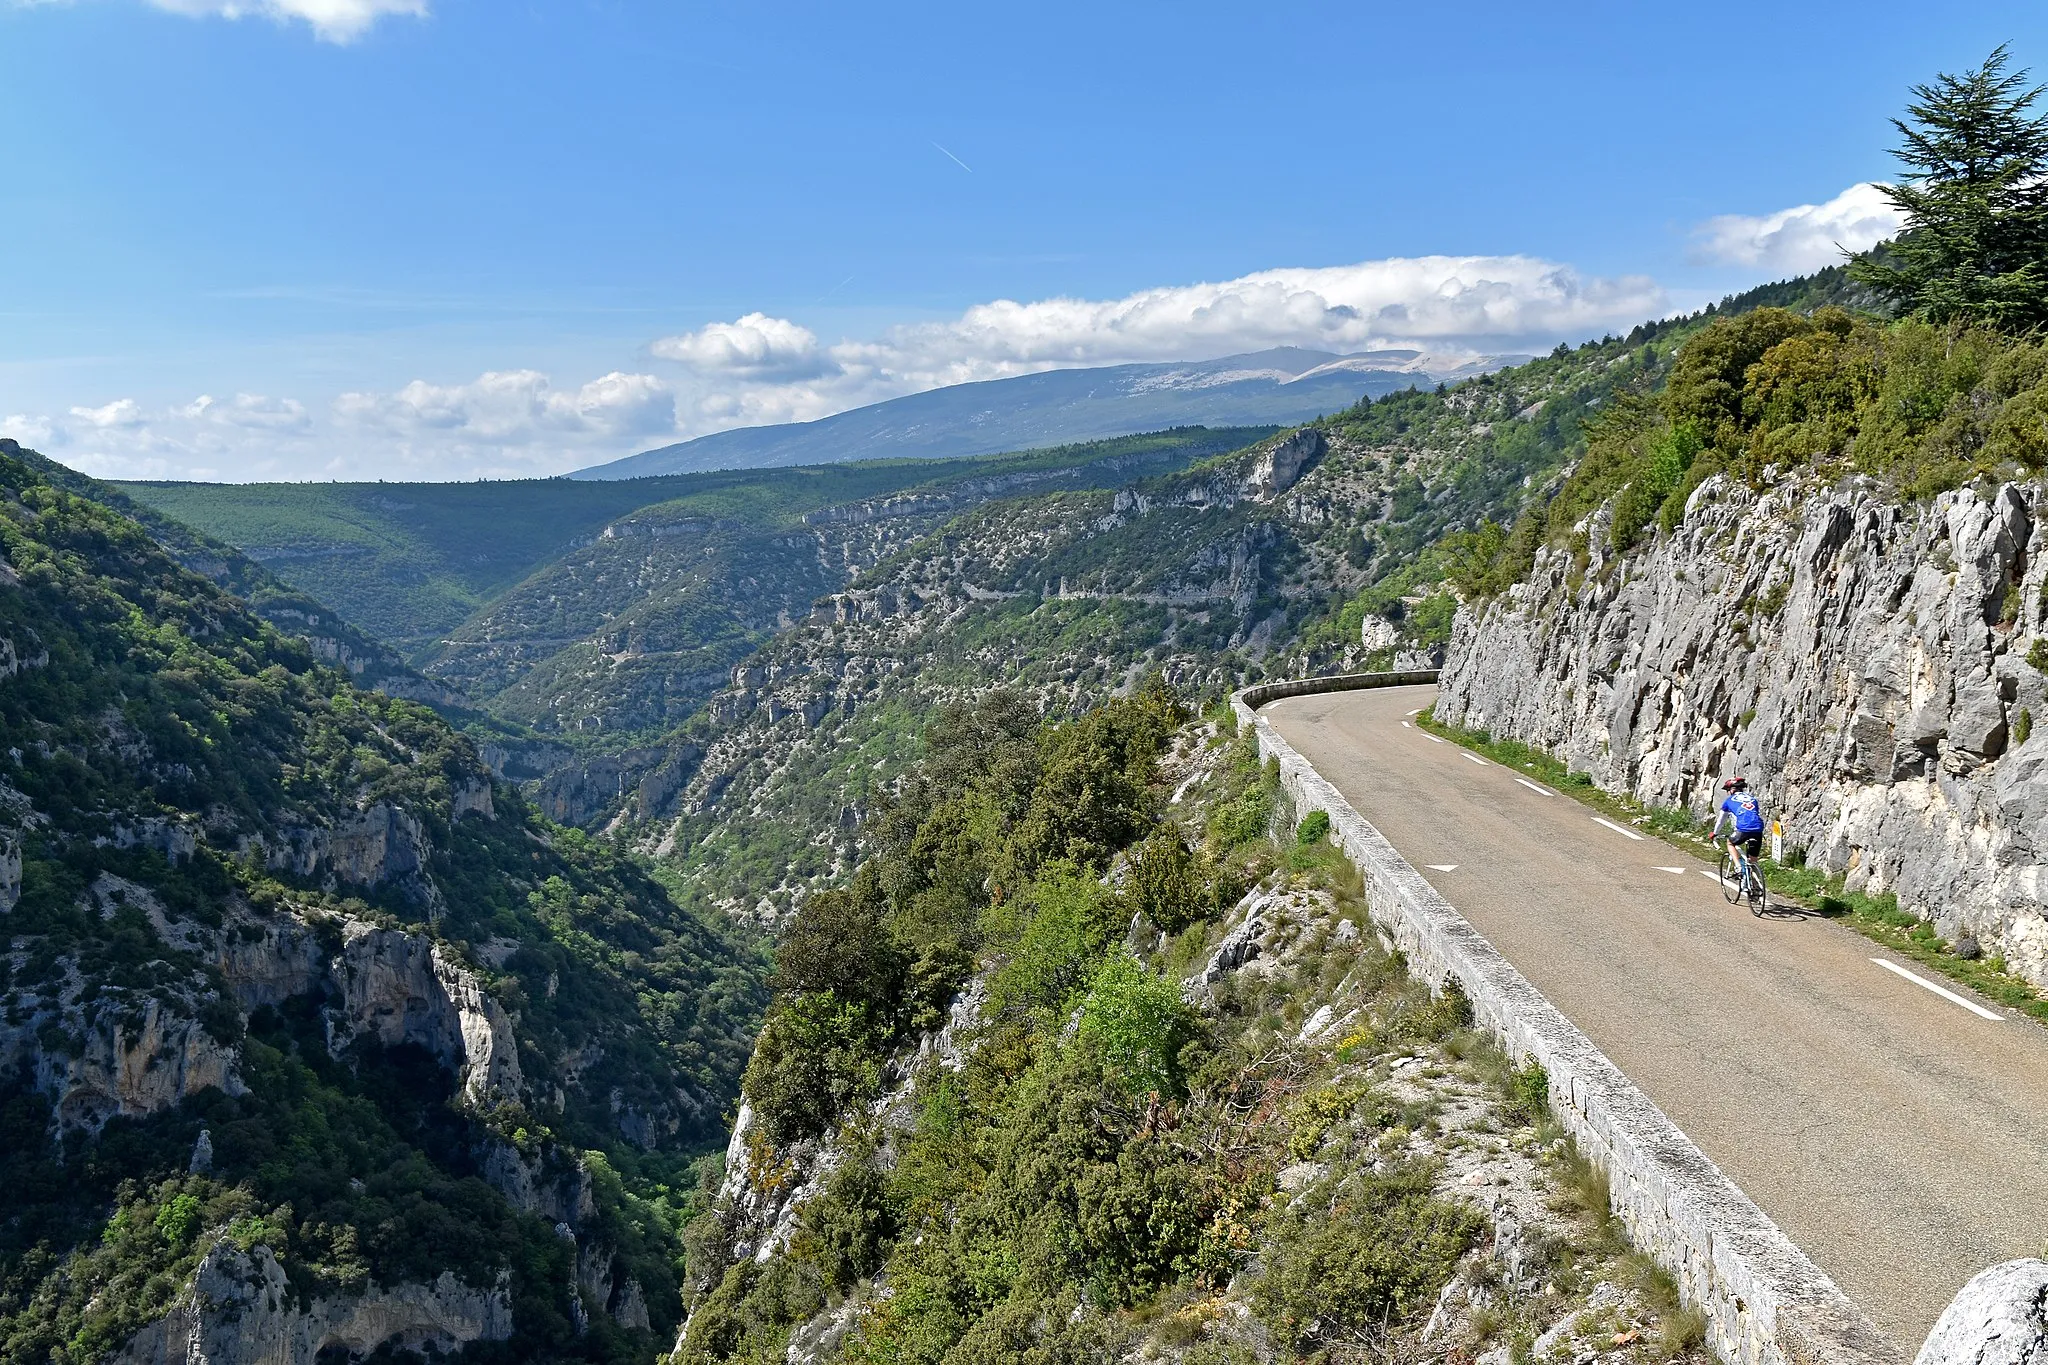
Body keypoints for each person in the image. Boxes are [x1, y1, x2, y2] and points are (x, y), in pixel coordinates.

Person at [1710, 777, 1767, 884]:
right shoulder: (1752, 799)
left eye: (1727, 790)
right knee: (1752, 860)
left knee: (1730, 843)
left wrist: (1715, 833)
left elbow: (1721, 820)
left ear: (1732, 790)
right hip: (1758, 828)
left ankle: (1738, 867)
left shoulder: (1728, 801)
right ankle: (1755, 888)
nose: (1727, 792)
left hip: (1744, 828)